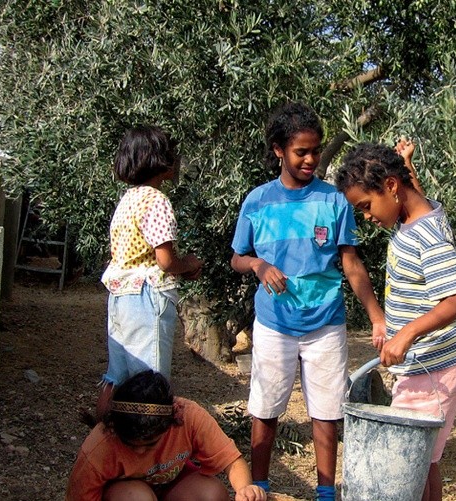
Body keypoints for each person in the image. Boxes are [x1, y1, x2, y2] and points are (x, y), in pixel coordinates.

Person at [229, 102, 386, 501]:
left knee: (327, 410)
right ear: (279, 150)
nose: (311, 159)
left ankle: (325, 492)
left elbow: (351, 264)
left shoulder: (333, 201)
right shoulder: (257, 201)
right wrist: (259, 266)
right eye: (301, 151)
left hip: (326, 324)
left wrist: (376, 317)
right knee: (265, 407)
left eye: (315, 150)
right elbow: (237, 257)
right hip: (273, 323)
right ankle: (260, 486)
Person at [335, 142, 456, 501]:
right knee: (423, 458)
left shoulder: (425, 235)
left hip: (434, 367)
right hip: (424, 365)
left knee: (412, 457)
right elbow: (416, 196)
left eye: (365, 206)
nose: (366, 216)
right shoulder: (416, 214)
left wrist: (407, 334)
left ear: (392, 186)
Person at [96, 126, 203, 420]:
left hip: (119, 296)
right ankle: (150, 447)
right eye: (170, 153)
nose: (175, 159)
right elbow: (166, 261)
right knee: (151, 378)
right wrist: (189, 264)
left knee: (116, 373)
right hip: (147, 298)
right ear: (158, 160)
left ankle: (100, 434)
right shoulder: (157, 201)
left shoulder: (127, 200)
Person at [66, 370, 266, 501]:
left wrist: (244, 489)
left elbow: (231, 460)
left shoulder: (189, 416)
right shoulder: (99, 446)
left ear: (172, 421)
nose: (141, 451)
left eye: (150, 443)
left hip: (173, 487)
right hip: (126, 494)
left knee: (211, 495)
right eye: (131, 444)